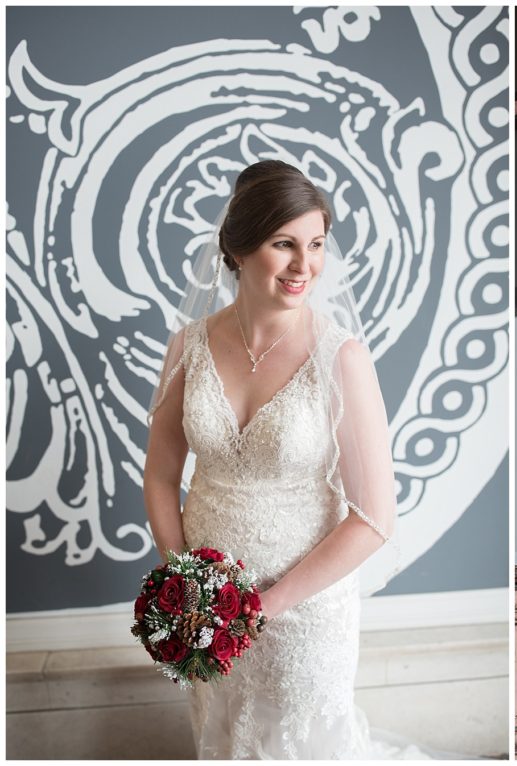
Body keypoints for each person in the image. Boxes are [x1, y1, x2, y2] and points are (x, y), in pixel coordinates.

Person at [143, 160, 418, 759]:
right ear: (238, 249)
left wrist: (261, 609)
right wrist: (190, 587)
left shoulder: (341, 358)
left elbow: (375, 519)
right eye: (284, 244)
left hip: (305, 614)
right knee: (220, 742)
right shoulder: (187, 346)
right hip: (208, 616)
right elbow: (162, 477)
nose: (305, 266)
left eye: (317, 244)